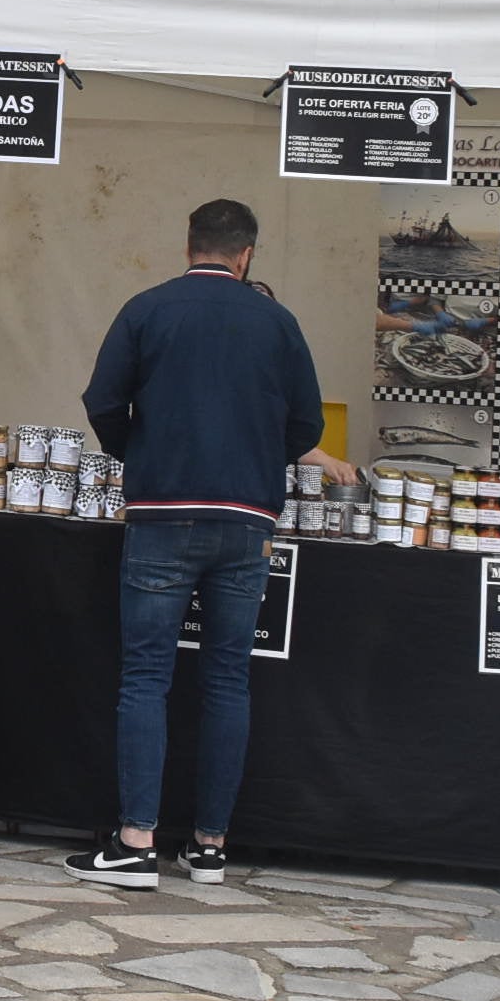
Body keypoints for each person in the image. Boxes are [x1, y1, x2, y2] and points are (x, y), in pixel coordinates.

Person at [69, 198, 326, 891]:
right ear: (247, 254)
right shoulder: (278, 323)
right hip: (248, 520)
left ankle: (134, 843)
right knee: (227, 678)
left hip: (162, 512)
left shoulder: (147, 309)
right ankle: (210, 847)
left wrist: (142, 452)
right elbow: (305, 423)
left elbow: (101, 401)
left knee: (147, 675)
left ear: (190, 245)